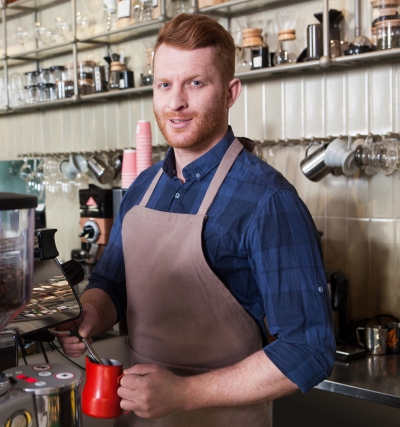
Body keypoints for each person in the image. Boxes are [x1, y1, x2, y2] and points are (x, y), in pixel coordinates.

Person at [57, 14, 334, 427]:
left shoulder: (268, 200)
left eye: (196, 83)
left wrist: (182, 394)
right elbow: (112, 284)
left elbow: (308, 349)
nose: (175, 102)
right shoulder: (143, 187)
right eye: (164, 84)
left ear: (230, 92)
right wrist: (91, 315)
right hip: (141, 418)